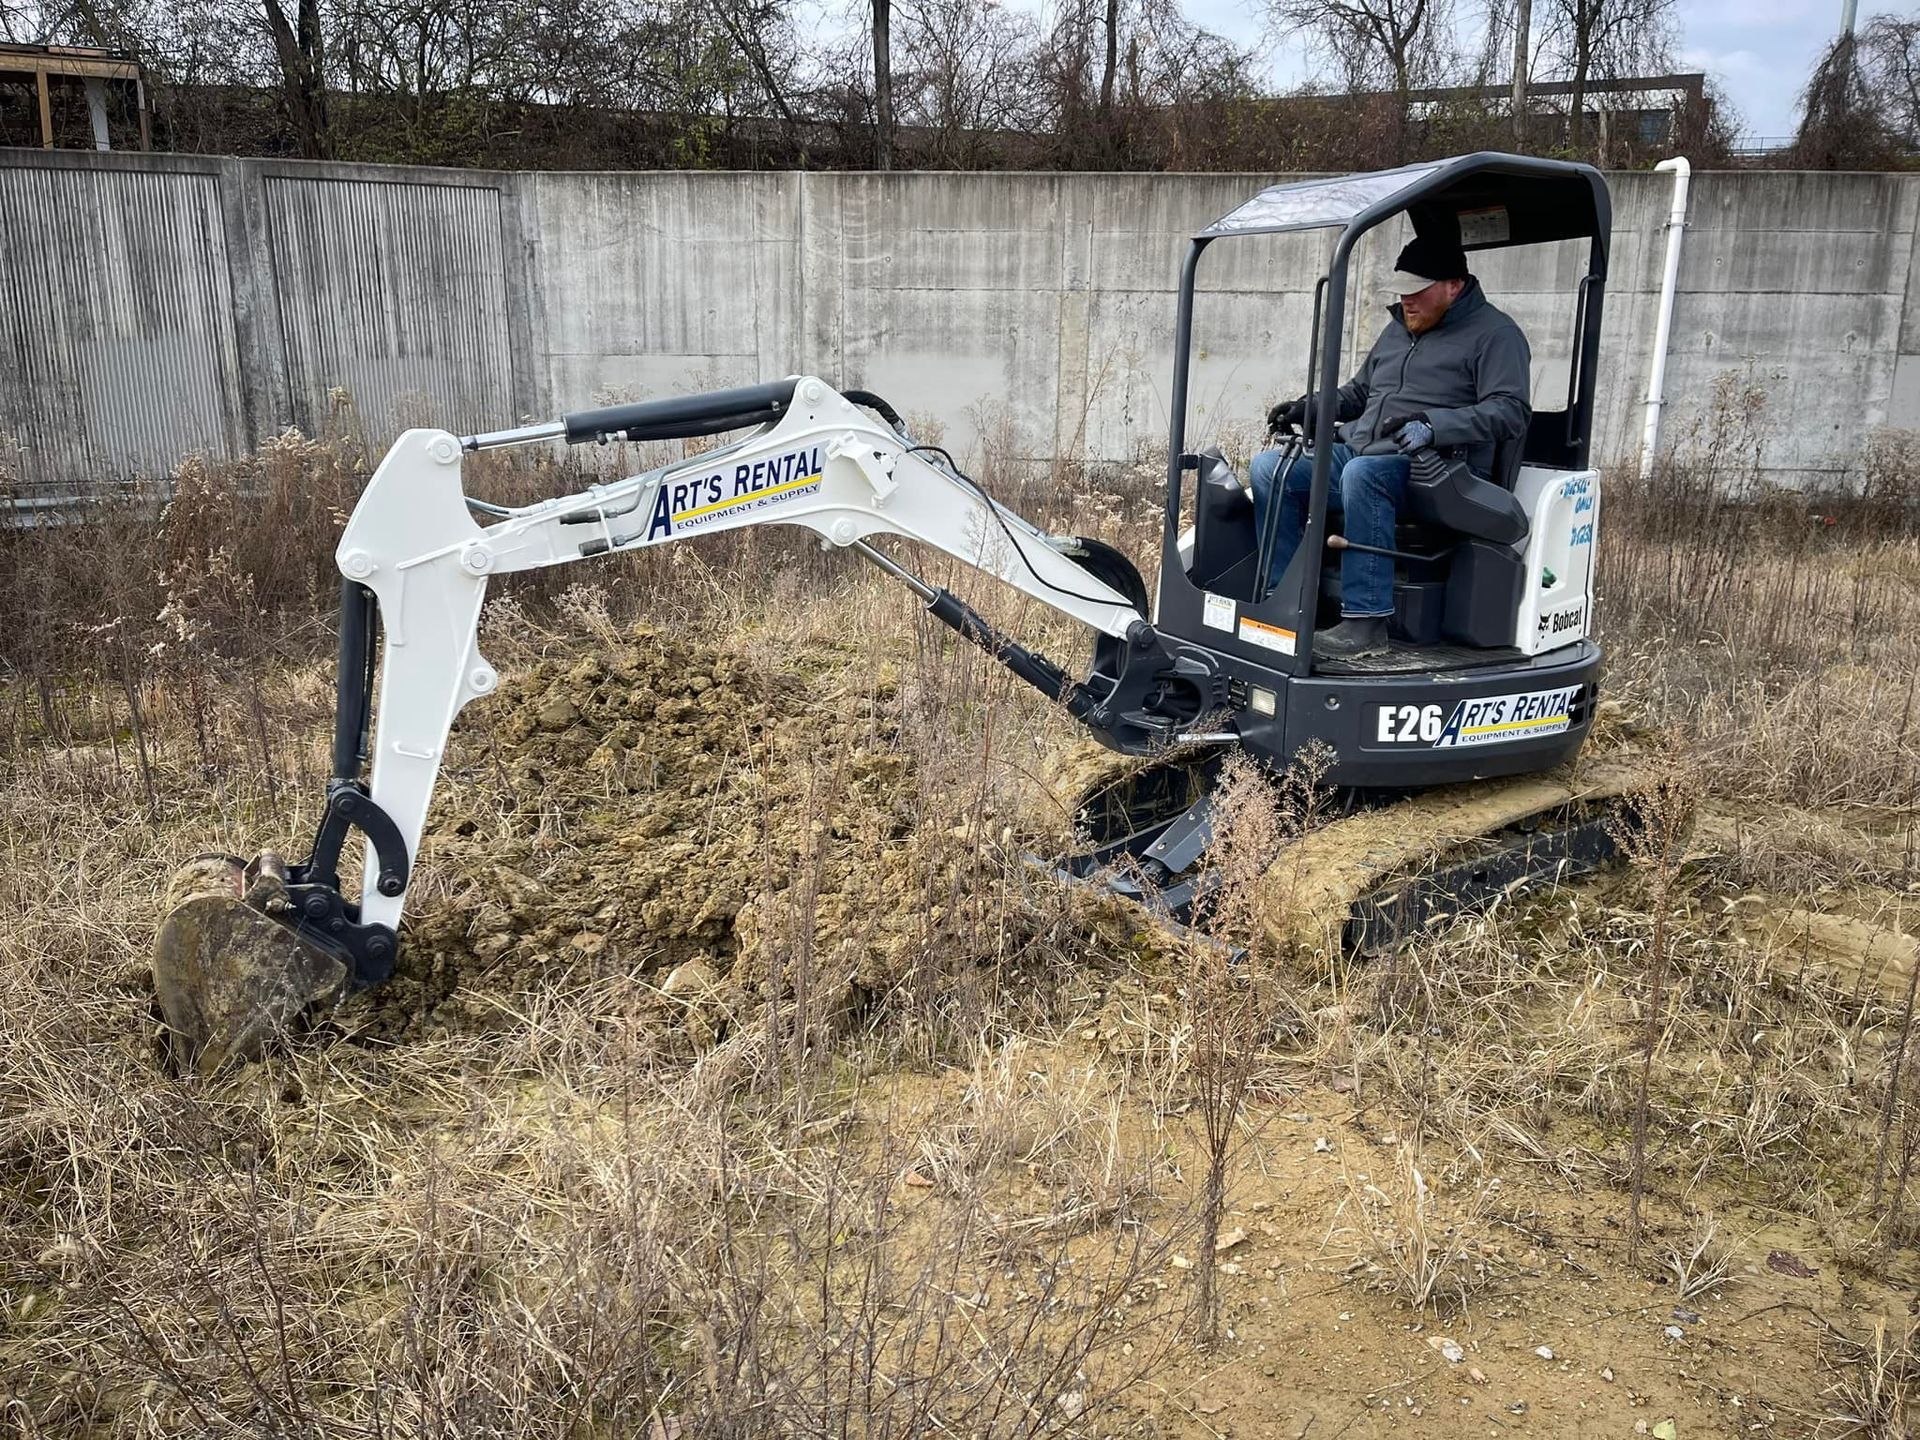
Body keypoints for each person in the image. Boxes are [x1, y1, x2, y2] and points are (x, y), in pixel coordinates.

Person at [1250, 234, 1531, 660]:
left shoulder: (1496, 335)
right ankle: (1285, 601)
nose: (1406, 302)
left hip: (1438, 469)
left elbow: (1510, 412)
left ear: (1454, 286)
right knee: (1274, 468)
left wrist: (1434, 426)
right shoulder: (1398, 329)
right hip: (1367, 451)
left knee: (1364, 474)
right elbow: (1360, 393)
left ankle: (1366, 626)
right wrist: (1309, 408)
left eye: (1416, 291)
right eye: (1401, 292)